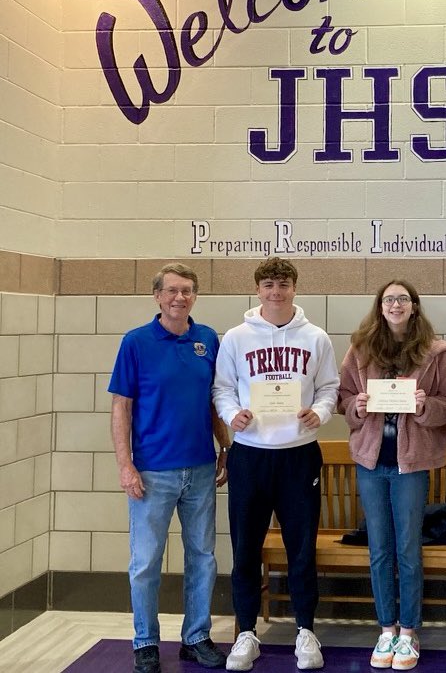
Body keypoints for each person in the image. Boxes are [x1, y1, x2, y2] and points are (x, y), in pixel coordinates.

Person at [213, 258, 340, 672]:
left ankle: (306, 630)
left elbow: (329, 388)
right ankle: (247, 632)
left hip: (299, 455)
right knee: (245, 547)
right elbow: (222, 389)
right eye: (268, 284)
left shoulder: (316, 337)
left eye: (283, 284)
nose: (276, 292)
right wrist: (232, 414)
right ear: (258, 290)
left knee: (301, 548)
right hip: (250, 454)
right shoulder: (236, 337)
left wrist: (319, 413)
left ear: (294, 289)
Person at [109, 263, 230, 673]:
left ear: (195, 296)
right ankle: (145, 642)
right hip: (151, 473)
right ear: (157, 296)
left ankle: (196, 637)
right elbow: (121, 408)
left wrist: (225, 446)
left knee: (203, 557)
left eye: (188, 290)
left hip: (200, 469)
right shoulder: (136, 342)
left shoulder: (207, 340)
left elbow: (214, 400)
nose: (180, 297)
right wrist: (125, 465)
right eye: (173, 290)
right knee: (146, 562)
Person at [338, 280, 446, 671]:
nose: (395, 305)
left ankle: (408, 631)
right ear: (380, 306)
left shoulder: (435, 353)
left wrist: (427, 407)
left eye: (402, 299)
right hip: (371, 462)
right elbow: (342, 398)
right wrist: (356, 407)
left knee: (408, 549)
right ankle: (386, 629)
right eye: (389, 299)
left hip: (411, 463)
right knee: (379, 549)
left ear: (414, 306)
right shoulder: (360, 349)